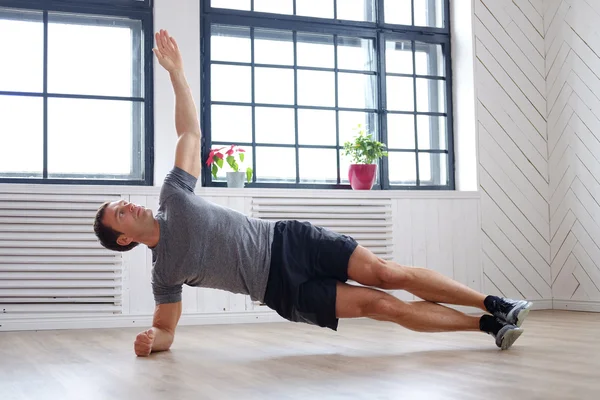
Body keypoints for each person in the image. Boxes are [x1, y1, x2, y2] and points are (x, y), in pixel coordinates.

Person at [93, 30, 532, 357]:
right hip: (284, 290)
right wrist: (153, 341)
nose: (127, 205)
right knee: (385, 307)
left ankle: (495, 302)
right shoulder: (163, 272)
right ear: (125, 239)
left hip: (289, 240)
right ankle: (485, 326)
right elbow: (167, 328)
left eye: (120, 202)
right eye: (120, 214)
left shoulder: (173, 194)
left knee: (386, 274)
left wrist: (177, 73)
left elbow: (190, 130)